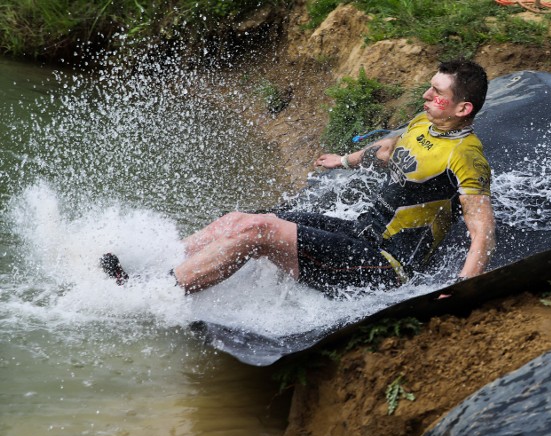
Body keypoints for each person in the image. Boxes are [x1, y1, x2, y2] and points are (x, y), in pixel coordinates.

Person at [101, 59, 495, 296]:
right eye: (429, 87)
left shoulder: (466, 156)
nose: (425, 95)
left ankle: (155, 294)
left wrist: (462, 289)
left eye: (436, 92)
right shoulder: (423, 123)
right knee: (242, 218)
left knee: (257, 232)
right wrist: (344, 159)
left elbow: (482, 229)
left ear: (463, 107)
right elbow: (390, 148)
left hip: (385, 266)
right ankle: (155, 264)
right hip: (360, 235)